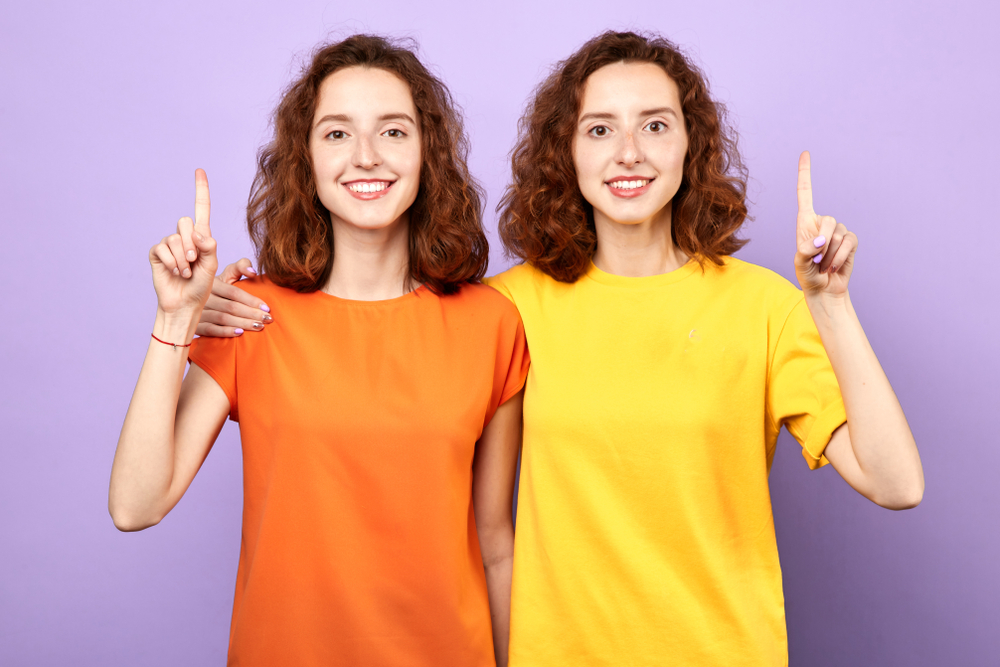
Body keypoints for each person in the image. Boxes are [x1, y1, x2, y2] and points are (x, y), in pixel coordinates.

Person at [484, 31, 924, 665]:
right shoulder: (511, 308)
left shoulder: (764, 307)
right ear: (567, 152)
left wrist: (831, 306)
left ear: (690, 145)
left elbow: (897, 483)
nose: (628, 152)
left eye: (655, 125)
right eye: (600, 129)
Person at [109, 35, 527, 667]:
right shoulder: (254, 318)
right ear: (305, 158)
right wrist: (175, 319)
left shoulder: (490, 323)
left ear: (427, 153)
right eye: (336, 134)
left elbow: (496, 545)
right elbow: (135, 505)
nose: (365, 157)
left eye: (392, 132)